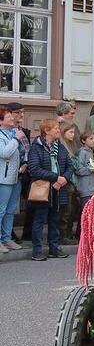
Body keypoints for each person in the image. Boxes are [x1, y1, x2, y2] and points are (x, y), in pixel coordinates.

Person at [28, 119, 73, 261]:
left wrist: (64, 179)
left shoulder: (60, 147)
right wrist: (55, 177)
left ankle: (54, 248)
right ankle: (37, 251)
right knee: (39, 220)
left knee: (55, 219)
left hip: (58, 189)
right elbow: (34, 169)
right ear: (46, 131)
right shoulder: (36, 147)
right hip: (43, 189)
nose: (58, 130)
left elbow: (70, 166)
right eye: (55, 128)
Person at [0, 106, 24, 253]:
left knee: (10, 211)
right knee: (1, 210)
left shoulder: (11, 133)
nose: (12, 119)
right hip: (3, 179)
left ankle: (6, 238)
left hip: (15, 177)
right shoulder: (2, 135)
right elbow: (4, 153)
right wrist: (16, 139)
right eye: (8, 117)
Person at [6, 102, 31, 242]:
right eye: (18, 112)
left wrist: (26, 163)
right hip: (11, 171)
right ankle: (8, 233)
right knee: (9, 206)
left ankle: (28, 233)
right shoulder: (7, 131)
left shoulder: (24, 131)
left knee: (30, 203)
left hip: (25, 171)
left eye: (23, 112)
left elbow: (28, 150)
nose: (21, 115)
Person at [58, 120, 81, 244]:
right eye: (71, 132)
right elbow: (69, 165)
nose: (73, 134)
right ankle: (63, 235)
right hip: (66, 181)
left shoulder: (71, 145)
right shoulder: (62, 147)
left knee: (72, 208)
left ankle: (67, 233)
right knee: (66, 209)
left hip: (73, 181)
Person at [74, 130, 94, 224]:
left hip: (92, 187)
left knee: (91, 213)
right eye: (90, 139)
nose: (93, 141)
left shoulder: (91, 152)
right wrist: (93, 168)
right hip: (85, 188)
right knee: (86, 213)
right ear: (83, 141)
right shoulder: (82, 153)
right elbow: (79, 170)